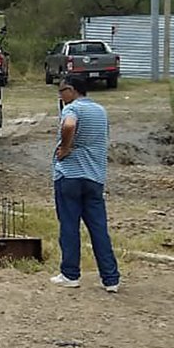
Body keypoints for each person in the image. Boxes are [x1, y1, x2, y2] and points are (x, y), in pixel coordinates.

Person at [50, 75, 121, 292]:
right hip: (95, 177)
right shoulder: (101, 111)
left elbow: (70, 125)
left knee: (70, 226)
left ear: (71, 90)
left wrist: (66, 147)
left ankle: (70, 274)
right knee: (98, 228)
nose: (60, 96)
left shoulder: (72, 109)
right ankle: (111, 279)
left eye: (62, 91)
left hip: (70, 176)